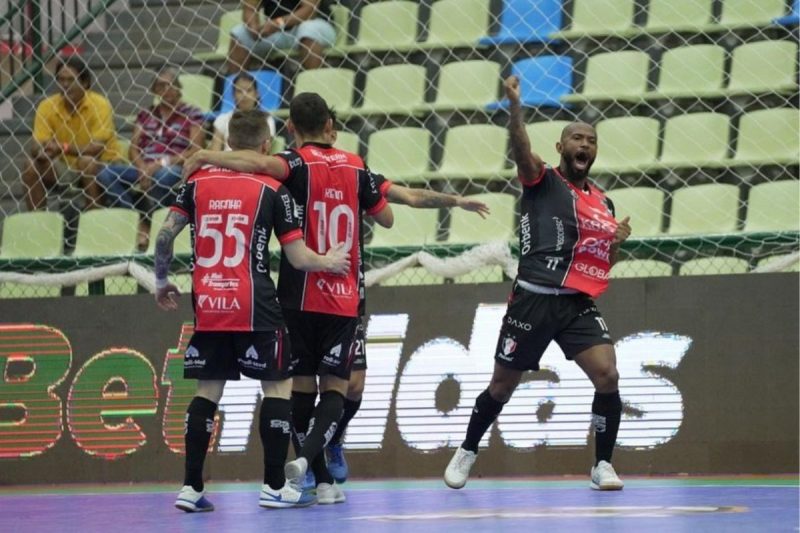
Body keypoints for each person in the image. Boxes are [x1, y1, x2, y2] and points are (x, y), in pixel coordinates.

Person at [182, 92, 394, 505]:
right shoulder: (342, 167)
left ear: (291, 129)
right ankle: (299, 478)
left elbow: (171, 230)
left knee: (313, 388)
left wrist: (207, 154)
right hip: (324, 291)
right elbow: (386, 215)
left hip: (245, 297)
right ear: (330, 124)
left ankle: (201, 485)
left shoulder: (283, 169)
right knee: (313, 388)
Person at [153, 109, 350, 512]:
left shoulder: (195, 183)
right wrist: (328, 261)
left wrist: (160, 281)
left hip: (209, 303)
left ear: (226, 143)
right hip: (255, 304)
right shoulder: (271, 188)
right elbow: (298, 258)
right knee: (276, 388)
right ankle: (274, 486)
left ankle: (190, 488)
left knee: (207, 393)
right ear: (265, 146)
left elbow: (164, 236)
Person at [443, 76, 632, 491]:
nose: (584, 145)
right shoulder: (542, 179)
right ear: (561, 148)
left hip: (576, 304)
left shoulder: (603, 203)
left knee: (608, 376)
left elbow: (604, 265)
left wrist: (616, 243)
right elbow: (520, 148)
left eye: (591, 140)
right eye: (576, 139)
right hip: (533, 299)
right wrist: (514, 106)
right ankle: (469, 448)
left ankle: (602, 464)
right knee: (502, 386)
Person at [321, 118, 493, 485]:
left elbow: (407, 197)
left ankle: (332, 440)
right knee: (305, 386)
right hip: (303, 289)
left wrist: (455, 201)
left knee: (354, 385)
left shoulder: (352, 170)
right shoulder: (291, 169)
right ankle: (301, 469)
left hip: (346, 290)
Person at [97, 66, 205, 249]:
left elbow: (196, 149)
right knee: (104, 172)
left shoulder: (192, 113)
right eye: (161, 86)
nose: (166, 89)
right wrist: (141, 167)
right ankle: (140, 222)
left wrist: (160, 163)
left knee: (163, 175)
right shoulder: (145, 114)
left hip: (174, 165)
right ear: (154, 90)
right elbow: (133, 147)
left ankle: (156, 225)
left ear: (179, 88)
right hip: (144, 167)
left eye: (171, 85)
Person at [22, 56, 123, 211]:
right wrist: (41, 151)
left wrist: (62, 147)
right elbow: (36, 143)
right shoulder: (47, 106)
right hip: (64, 167)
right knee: (30, 165)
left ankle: (93, 223)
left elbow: (96, 149)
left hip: (102, 165)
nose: (65, 85)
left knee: (86, 162)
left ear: (85, 82)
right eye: (61, 80)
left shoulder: (100, 104)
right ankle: (38, 222)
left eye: (71, 80)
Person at [226, 0, 336, 73]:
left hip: (315, 24)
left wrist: (278, 23)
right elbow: (249, 9)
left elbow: (309, 10)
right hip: (276, 32)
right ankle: (236, 92)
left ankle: (315, 88)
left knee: (308, 29)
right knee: (239, 33)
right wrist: (254, 28)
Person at [210, 72, 277, 152]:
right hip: (227, 161)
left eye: (249, 90)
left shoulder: (266, 119)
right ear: (233, 95)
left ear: (256, 94)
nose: (244, 95)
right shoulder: (222, 119)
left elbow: (266, 151)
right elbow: (215, 151)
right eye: (239, 91)